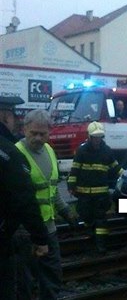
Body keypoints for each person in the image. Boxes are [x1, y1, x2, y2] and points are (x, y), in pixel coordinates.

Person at [13, 109, 78, 300]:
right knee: (23, 282)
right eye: (34, 133)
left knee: (52, 277)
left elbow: (53, 189)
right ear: (25, 129)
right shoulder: (16, 154)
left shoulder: (49, 151)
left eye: (43, 134)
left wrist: (66, 212)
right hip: (24, 232)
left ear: (50, 132)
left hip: (48, 229)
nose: (39, 138)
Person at [0, 97, 49, 300]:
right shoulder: (9, 153)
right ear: (5, 116)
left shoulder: (48, 153)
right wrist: (40, 238)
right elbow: (24, 199)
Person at [67, 121, 122, 253]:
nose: (97, 140)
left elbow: (116, 168)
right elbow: (75, 170)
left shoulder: (107, 151)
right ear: (90, 137)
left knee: (101, 220)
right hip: (84, 194)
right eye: (95, 137)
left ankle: (101, 246)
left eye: (100, 137)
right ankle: (91, 239)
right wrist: (71, 186)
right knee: (86, 216)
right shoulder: (81, 151)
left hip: (101, 194)